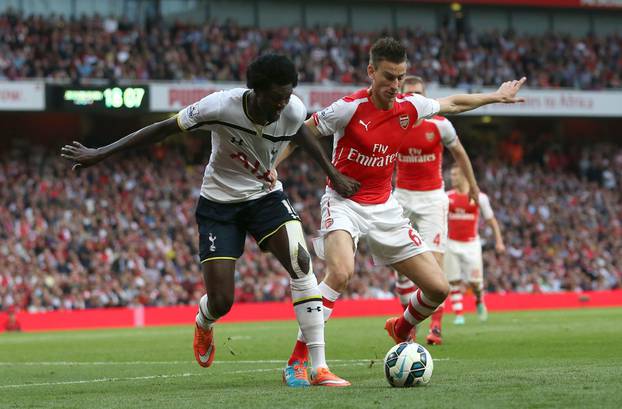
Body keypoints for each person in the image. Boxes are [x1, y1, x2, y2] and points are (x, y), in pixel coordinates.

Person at [61, 54, 359, 388]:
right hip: (220, 204)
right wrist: (101, 153)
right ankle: (204, 321)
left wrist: (331, 172)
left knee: (300, 262)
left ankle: (317, 366)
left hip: (265, 197)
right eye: (276, 97)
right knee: (222, 300)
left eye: (286, 96)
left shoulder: (290, 109)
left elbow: (301, 133)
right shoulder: (219, 106)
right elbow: (162, 129)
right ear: (255, 91)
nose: (282, 104)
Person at [276, 37, 524, 386]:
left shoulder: (409, 107)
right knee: (341, 273)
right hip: (343, 204)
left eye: (400, 77)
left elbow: (452, 103)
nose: (394, 85)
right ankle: (299, 361)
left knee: (438, 289)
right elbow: (304, 131)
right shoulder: (348, 108)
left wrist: (495, 97)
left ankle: (402, 325)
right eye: (388, 77)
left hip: (386, 209)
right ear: (371, 71)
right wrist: (274, 167)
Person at [393, 75, 480, 345]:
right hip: (402, 197)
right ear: (401, 97)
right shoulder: (393, 123)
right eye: (409, 94)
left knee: (435, 268)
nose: (414, 98)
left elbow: (461, 154)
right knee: (401, 268)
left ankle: (436, 328)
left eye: (418, 93)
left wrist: (474, 187)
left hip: (432, 198)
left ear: (425, 96)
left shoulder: (440, 125)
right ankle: (408, 326)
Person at [445, 164, 505, 324]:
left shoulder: (479, 197)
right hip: (451, 242)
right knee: (453, 280)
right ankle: (459, 315)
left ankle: (479, 299)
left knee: (475, 282)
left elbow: (491, 220)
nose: (452, 178)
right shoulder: (446, 197)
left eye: (455, 175)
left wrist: (499, 240)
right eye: (451, 175)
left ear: (465, 176)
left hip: (471, 244)